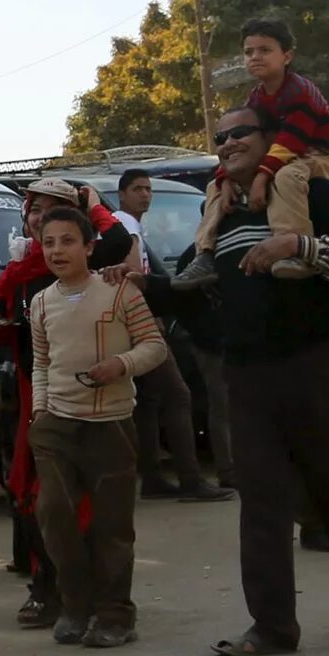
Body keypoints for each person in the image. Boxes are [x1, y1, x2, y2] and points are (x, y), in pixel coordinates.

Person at [198, 105, 329, 656]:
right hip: (250, 376)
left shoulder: (314, 191)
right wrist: (134, 280)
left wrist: (299, 246)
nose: (227, 143)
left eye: (240, 133)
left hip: (320, 362)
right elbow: (198, 291)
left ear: (271, 140)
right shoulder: (219, 213)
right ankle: (273, 627)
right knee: (260, 501)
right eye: (220, 137)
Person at [25, 205, 169, 647]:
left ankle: (114, 614)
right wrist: (40, 413)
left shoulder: (119, 292)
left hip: (111, 424)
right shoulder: (41, 302)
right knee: (54, 516)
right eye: (48, 243)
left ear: (89, 246)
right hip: (56, 428)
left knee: (112, 526)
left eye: (68, 241)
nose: (57, 251)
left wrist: (121, 365)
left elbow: (154, 346)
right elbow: (42, 363)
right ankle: (74, 606)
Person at [114, 171, 224, 503]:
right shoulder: (127, 227)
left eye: (148, 189)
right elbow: (136, 275)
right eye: (137, 189)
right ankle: (190, 478)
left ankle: (152, 477)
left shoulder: (129, 224)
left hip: (132, 322)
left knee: (149, 401)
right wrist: (153, 317)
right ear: (122, 194)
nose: (145, 195)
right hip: (142, 323)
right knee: (178, 396)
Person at [199, 18, 329, 266]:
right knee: (215, 187)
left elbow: (292, 139)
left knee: (285, 177)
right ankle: (204, 254)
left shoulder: (300, 91)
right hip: (281, 157)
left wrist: (262, 176)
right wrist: (226, 177)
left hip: (313, 156)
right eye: (248, 52)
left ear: (287, 56)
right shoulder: (256, 97)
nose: (255, 57)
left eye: (265, 50)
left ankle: (292, 246)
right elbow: (253, 139)